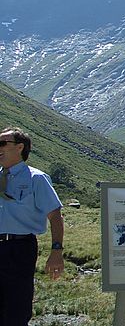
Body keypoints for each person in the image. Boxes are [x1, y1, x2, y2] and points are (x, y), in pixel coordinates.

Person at [0, 128, 64, 325]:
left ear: (20, 147)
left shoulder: (36, 178)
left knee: (16, 306)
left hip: (19, 248)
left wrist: (56, 252)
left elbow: (54, 216)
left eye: (3, 144)